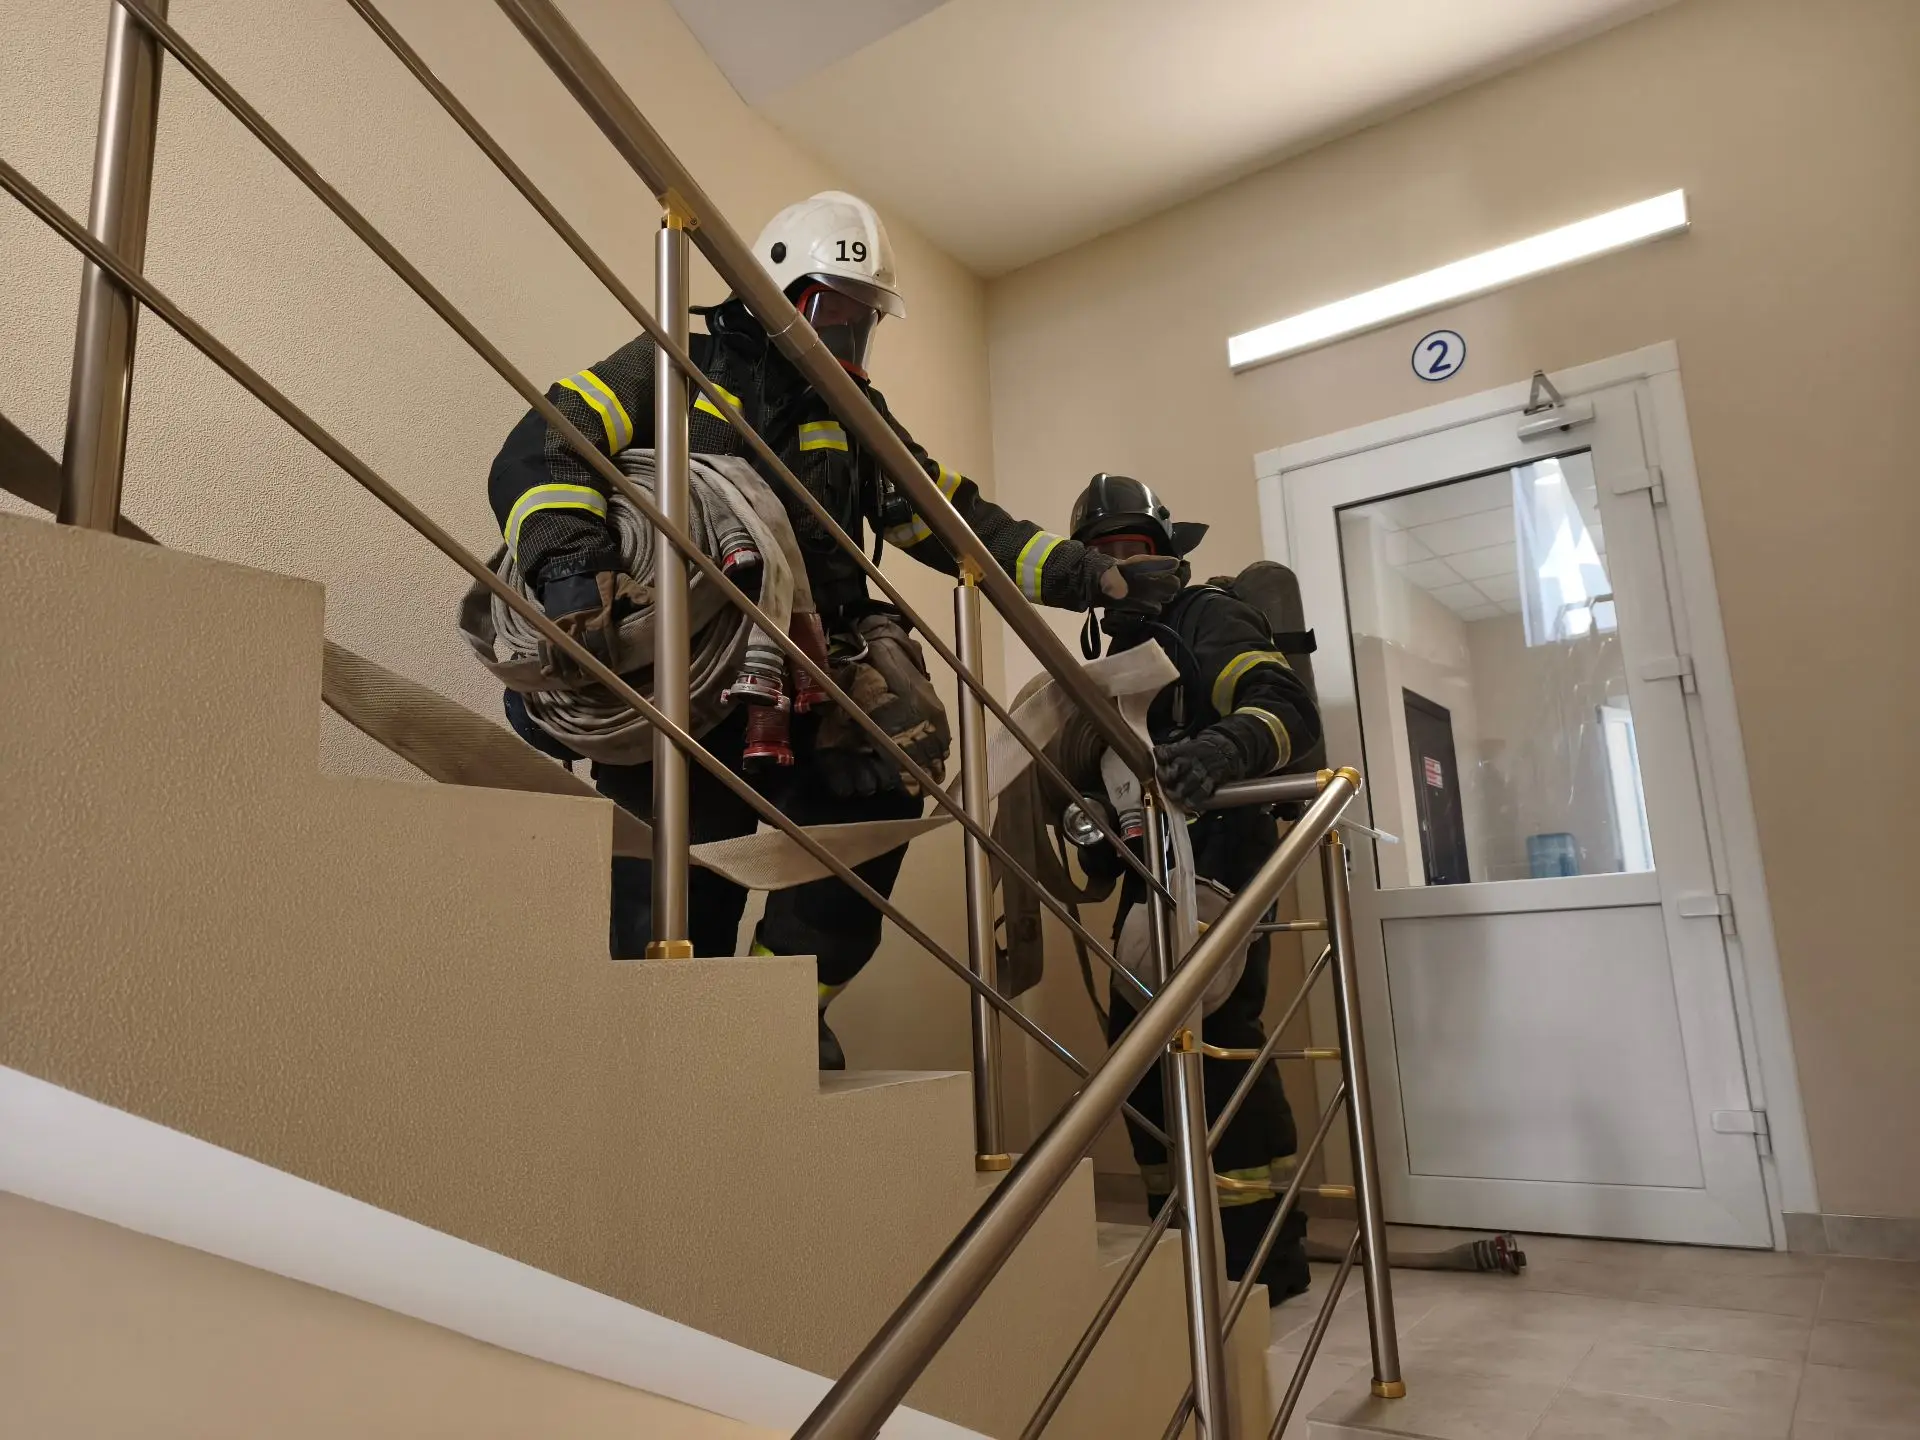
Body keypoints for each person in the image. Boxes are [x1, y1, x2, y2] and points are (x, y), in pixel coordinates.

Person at [486, 193, 1180, 1069]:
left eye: (863, 319)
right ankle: (668, 1065)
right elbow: (546, 447)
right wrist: (571, 579)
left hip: (812, 681)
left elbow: (960, 523)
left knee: (873, 812)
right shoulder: (672, 368)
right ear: (773, 291)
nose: (847, 336)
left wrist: (1092, 576)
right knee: (675, 895)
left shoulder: (856, 418)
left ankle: (784, 1010)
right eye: (832, 311)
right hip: (689, 684)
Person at [1068, 472, 1324, 1302]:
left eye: (1134, 548)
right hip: (1154, 865)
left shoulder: (1206, 617)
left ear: (1167, 552)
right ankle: (1180, 1238)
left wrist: (1222, 750)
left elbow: (1285, 706)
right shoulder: (1111, 654)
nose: (1122, 566)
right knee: (1145, 1056)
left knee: (1214, 1043)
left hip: (1222, 849)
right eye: (1103, 554)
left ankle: (1259, 1258)